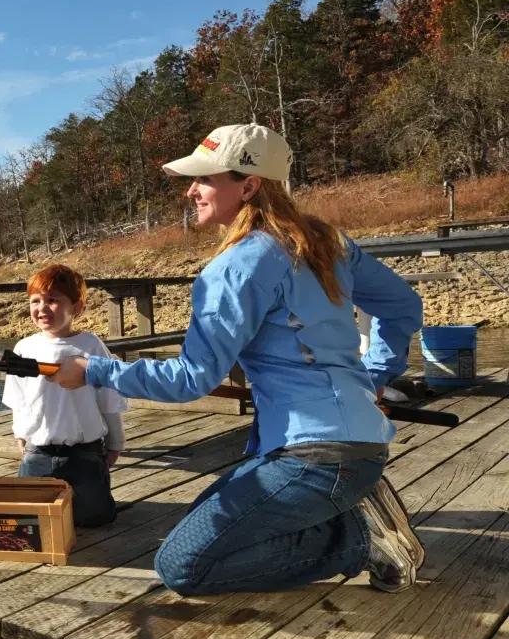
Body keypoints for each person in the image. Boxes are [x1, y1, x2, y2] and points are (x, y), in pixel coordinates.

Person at [50, 123, 426, 595]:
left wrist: (92, 371)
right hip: (360, 448)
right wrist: (376, 375)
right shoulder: (330, 241)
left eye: (204, 178)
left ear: (248, 186)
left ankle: (357, 540)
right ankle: (346, 506)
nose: (191, 191)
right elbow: (404, 307)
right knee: (201, 525)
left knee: (183, 566)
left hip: (315, 460)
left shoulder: (236, 266)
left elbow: (190, 379)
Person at [2, 264, 127, 527]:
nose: (42, 308)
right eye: (35, 301)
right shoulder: (24, 348)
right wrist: (20, 435)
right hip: (37, 451)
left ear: (77, 307)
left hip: (85, 452)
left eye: (53, 300)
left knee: (95, 518)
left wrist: (115, 442)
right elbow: (17, 399)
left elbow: (109, 399)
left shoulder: (91, 345)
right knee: (32, 522)